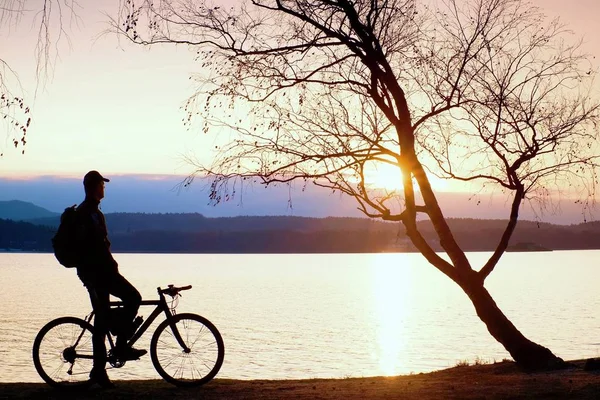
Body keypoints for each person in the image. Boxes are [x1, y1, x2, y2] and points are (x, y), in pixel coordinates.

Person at [76, 170, 146, 388]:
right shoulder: (85, 213)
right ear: (94, 187)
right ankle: (120, 345)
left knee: (103, 320)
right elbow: (91, 247)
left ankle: (99, 372)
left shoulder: (96, 212)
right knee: (133, 298)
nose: (104, 188)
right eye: (101, 185)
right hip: (98, 274)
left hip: (103, 272)